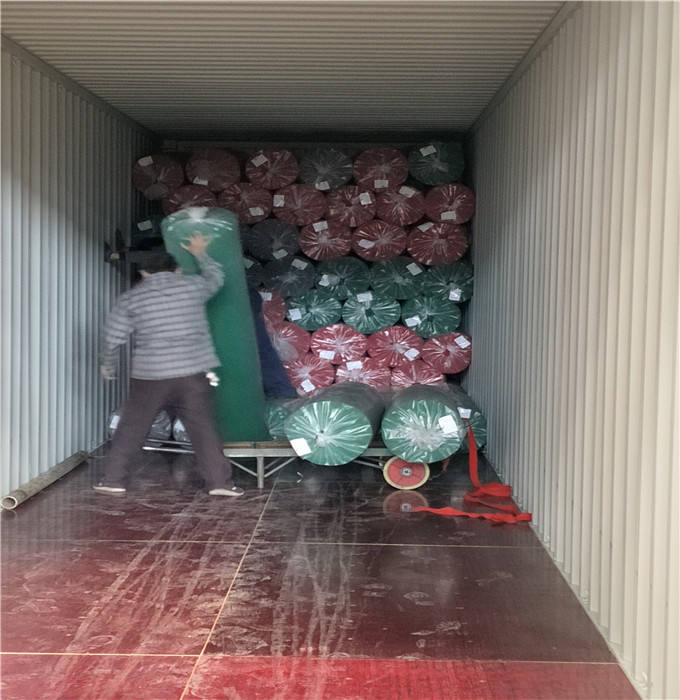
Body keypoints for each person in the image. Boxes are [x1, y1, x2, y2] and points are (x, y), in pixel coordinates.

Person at [95, 231, 243, 497]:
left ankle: (113, 480)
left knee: (132, 427)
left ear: (143, 273)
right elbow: (216, 278)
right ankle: (220, 483)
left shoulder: (133, 298)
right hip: (192, 371)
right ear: (177, 270)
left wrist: (108, 364)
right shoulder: (192, 287)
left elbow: (112, 335)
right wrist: (200, 254)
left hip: (151, 374)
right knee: (203, 428)